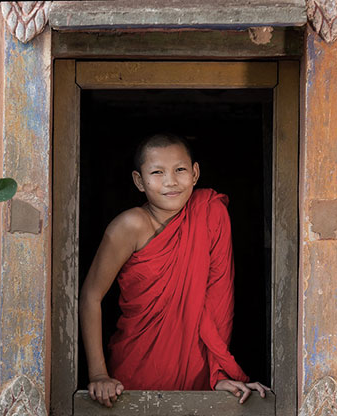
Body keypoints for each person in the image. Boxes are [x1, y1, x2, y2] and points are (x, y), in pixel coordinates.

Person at [79, 133, 269, 408]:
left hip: (197, 369)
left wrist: (217, 375)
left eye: (180, 169)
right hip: (136, 365)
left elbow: (218, 300)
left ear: (195, 173)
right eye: (157, 172)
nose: (171, 181)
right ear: (139, 181)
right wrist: (99, 375)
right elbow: (91, 296)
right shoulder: (130, 226)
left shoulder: (211, 213)